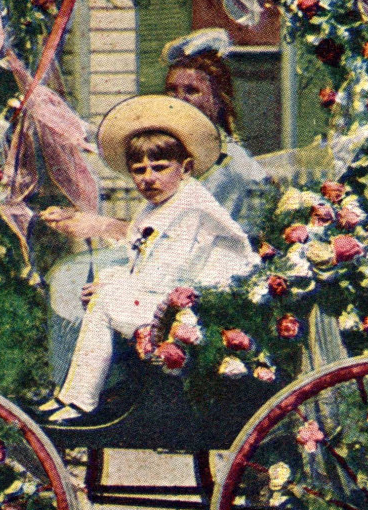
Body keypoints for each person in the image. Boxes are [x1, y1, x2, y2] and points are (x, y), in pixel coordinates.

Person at [38, 96, 259, 426]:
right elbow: (139, 261)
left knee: (106, 301)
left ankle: (81, 400)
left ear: (184, 168)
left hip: (204, 310)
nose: (148, 178)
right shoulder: (154, 208)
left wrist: (114, 287)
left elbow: (169, 273)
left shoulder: (192, 205)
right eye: (138, 171)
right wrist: (111, 282)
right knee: (102, 294)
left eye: (159, 168)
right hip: (175, 301)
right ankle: (76, 395)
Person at [160, 29, 270, 231]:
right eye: (172, 90)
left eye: (191, 91)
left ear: (219, 99)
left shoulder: (227, 160)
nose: (179, 100)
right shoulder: (175, 150)